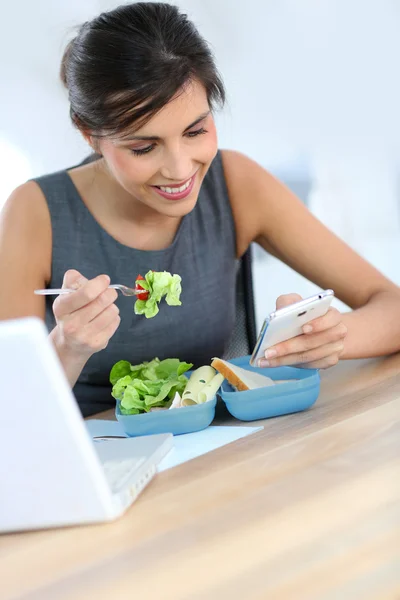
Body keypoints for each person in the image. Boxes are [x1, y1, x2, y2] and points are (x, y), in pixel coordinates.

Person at [1, 2, 399, 416]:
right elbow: (9, 413)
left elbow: (392, 306)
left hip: (222, 452)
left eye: (196, 131)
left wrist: (327, 337)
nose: (179, 169)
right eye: (143, 146)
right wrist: (68, 347)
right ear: (88, 133)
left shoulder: (237, 182)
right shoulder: (34, 212)